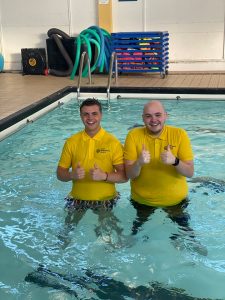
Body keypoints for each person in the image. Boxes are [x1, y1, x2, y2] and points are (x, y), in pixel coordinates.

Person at [123, 100, 206, 254]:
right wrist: (139, 163)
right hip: (143, 200)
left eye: (158, 115)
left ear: (166, 116)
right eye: (148, 116)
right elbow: (129, 175)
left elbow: (189, 172)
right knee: (134, 236)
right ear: (143, 119)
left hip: (175, 201)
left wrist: (174, 161)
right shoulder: (133, 136)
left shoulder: (179, 134)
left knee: (188, 235)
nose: (153, 120)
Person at [56, 98, 127, 246]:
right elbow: (60, 173)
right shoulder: (71, 142)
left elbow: (124, 176)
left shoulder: (112, 143)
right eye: (86, 114)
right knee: (64, 237)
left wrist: (105, 176)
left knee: (112, 239)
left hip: (105, 200)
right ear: (81, 116)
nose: (90, 118)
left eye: (94, 113)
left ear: (101, 115)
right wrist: (71, 175)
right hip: (76, 199)